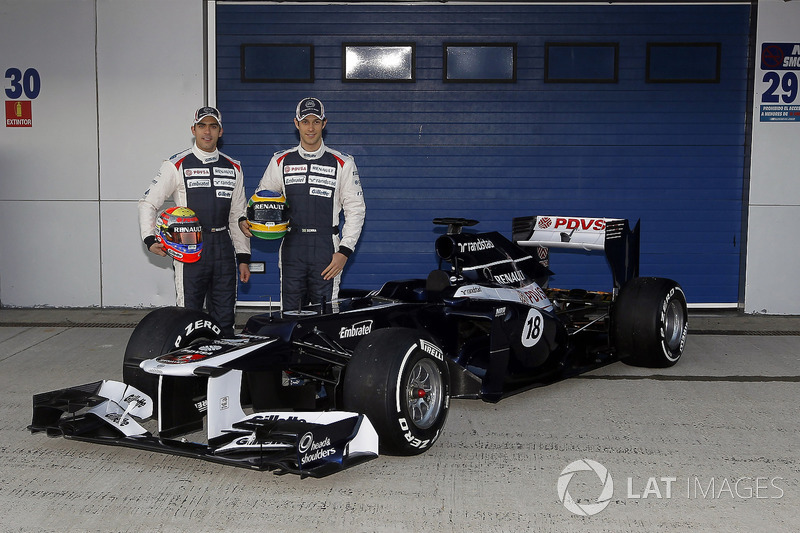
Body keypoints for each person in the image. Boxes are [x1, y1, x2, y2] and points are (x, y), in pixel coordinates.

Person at [139, 106, 251, 337]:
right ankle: (188, 370)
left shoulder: (234, 167)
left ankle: (222, 368)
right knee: (188, 317)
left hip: (223, 246)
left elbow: (237, 215)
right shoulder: (176, 164)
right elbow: (148, 203)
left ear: (221, 131)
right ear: (193, 130)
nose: (207, 132)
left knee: (225, 318)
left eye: (213, 126)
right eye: (202, 126)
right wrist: (150, 239)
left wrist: (243, 257)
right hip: (189, 247)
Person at [247, 97, 365, 311]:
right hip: (292, 245)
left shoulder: (343, 163)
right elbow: (261, 200)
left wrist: (345, 251)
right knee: (292, 314)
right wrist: (250, 222)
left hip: (327, 247)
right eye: (305, 121)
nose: (310, 128)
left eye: (316, 121)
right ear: (296, 123)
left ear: (324, 123)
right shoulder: (280, 161)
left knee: (324, 314)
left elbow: (356, 210)